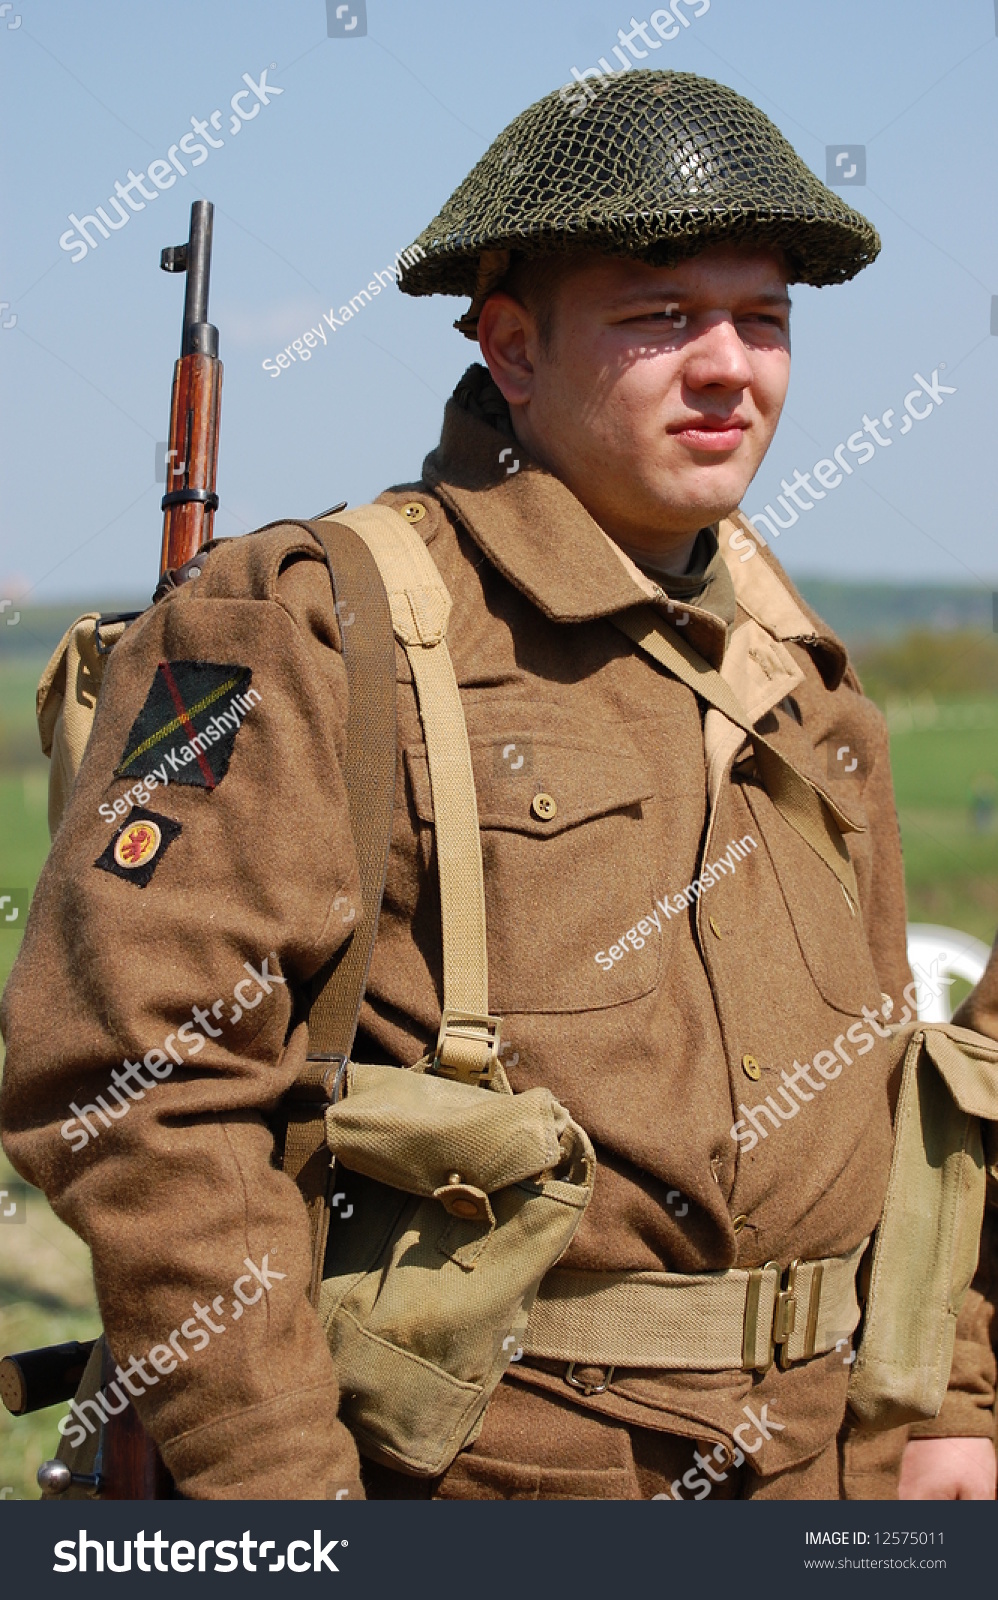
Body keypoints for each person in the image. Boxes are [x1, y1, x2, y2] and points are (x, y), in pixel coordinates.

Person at [1, 68, 994, 1501]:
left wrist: (942, 1401)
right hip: (478, 1481)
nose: (729, 364)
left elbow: (908, 1096)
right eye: (661, 317)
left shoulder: (802, 668)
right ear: (513, 354)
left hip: (827, 1475)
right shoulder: (310, 622)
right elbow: (137, 1087)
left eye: (761, 318)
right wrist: (281, 1495)